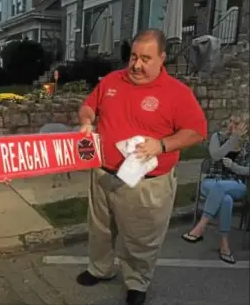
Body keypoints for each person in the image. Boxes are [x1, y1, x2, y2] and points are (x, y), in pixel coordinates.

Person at [76, 29, 207, 305]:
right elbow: (89, 106)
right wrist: (87, 122)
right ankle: (100, 268)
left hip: (146, 182)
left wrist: (161, 145)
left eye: (146, 59)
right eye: (134, 57)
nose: (136, 65)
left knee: (141, 239)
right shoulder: (113, 80)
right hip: (103, 173)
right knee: (100, 229)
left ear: (162, 58)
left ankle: (137, 282)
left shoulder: (177, 93)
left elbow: (196, 131)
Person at [182, 113, 249, 264]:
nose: (232, 125)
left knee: (223, 189)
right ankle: (224, 244)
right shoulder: (217, 137)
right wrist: (233, 140)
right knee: (225, 200)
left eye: (237, 124)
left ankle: (201, 225)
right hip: (212, 181)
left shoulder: (248, 145)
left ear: (245, 128)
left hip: (236, 183)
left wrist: (234, 167)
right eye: (231, 121)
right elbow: (216, 155)